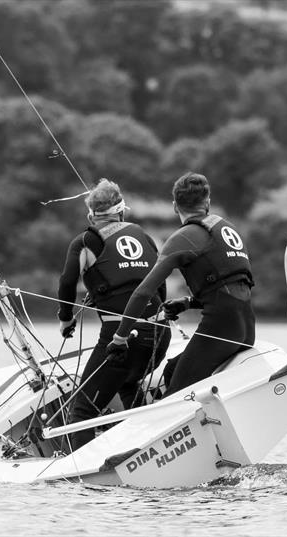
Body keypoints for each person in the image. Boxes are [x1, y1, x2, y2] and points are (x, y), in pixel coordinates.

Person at [106, 172, 255, 395]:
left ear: (175, 207)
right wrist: (187, 303)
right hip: (247, 326)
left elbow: (143, 293)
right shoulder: (228, 229)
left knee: (177, 393)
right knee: (172, 370)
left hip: (220, 329)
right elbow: (233, 286)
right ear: (208, 202)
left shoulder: (183, 238)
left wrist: (120, 337)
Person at [57, 178, 170, 450]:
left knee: (82, 410)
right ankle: (150, 450)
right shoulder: (143, 235)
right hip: (160, 333)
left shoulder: (85, 241)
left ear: (91, 216)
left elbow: (67, 282)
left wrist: (66, 318)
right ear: (121, 211)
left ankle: (76, 471)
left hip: (121, 339)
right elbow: (159, 286)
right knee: (127, 383)